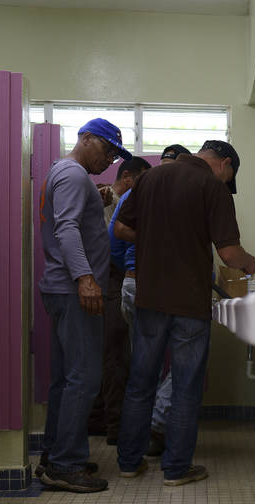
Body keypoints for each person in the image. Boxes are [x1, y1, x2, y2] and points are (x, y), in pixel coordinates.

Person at [114, 140, 255, 487]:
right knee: (185, 386)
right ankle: (176, 469)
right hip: (189, 304)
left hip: (149, 299)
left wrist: (155, 238)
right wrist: (252, 265)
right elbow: (228, 253)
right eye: (230, 176)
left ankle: (128, 463)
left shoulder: (151, 179)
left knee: (140, 382)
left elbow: (120, 228)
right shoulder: (212, 188)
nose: (227, 183)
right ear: (223, 164)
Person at [36, 117, 131, 493]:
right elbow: (68, 229)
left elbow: (71, 218)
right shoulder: (74, 177)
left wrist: (101, 197)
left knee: (65, 378)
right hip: (75, 290)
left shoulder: (61, 172)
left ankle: (55, 455)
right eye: (106, 148)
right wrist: (86, 278)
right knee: (85, 376)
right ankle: (65, 464)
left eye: (113, 154)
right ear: (86, 138)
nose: (109, 159)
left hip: (60, 287)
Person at [118, 145, 191, 459]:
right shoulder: (175, 197)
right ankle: (157, 427)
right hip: (161, 289)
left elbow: (116, 236)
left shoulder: (138, 193)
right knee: (182, 365)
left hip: (136, 283)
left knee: (144, 368)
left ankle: (135, 448)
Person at [99, 157, 152, 447]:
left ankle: (114, 426)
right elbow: (115, 245)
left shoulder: (117, 199)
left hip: (118, 280)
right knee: (119, 356)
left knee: (116, 355)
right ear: (130, 177)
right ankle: (118, 429)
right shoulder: (118, 199)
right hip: (115, 279)